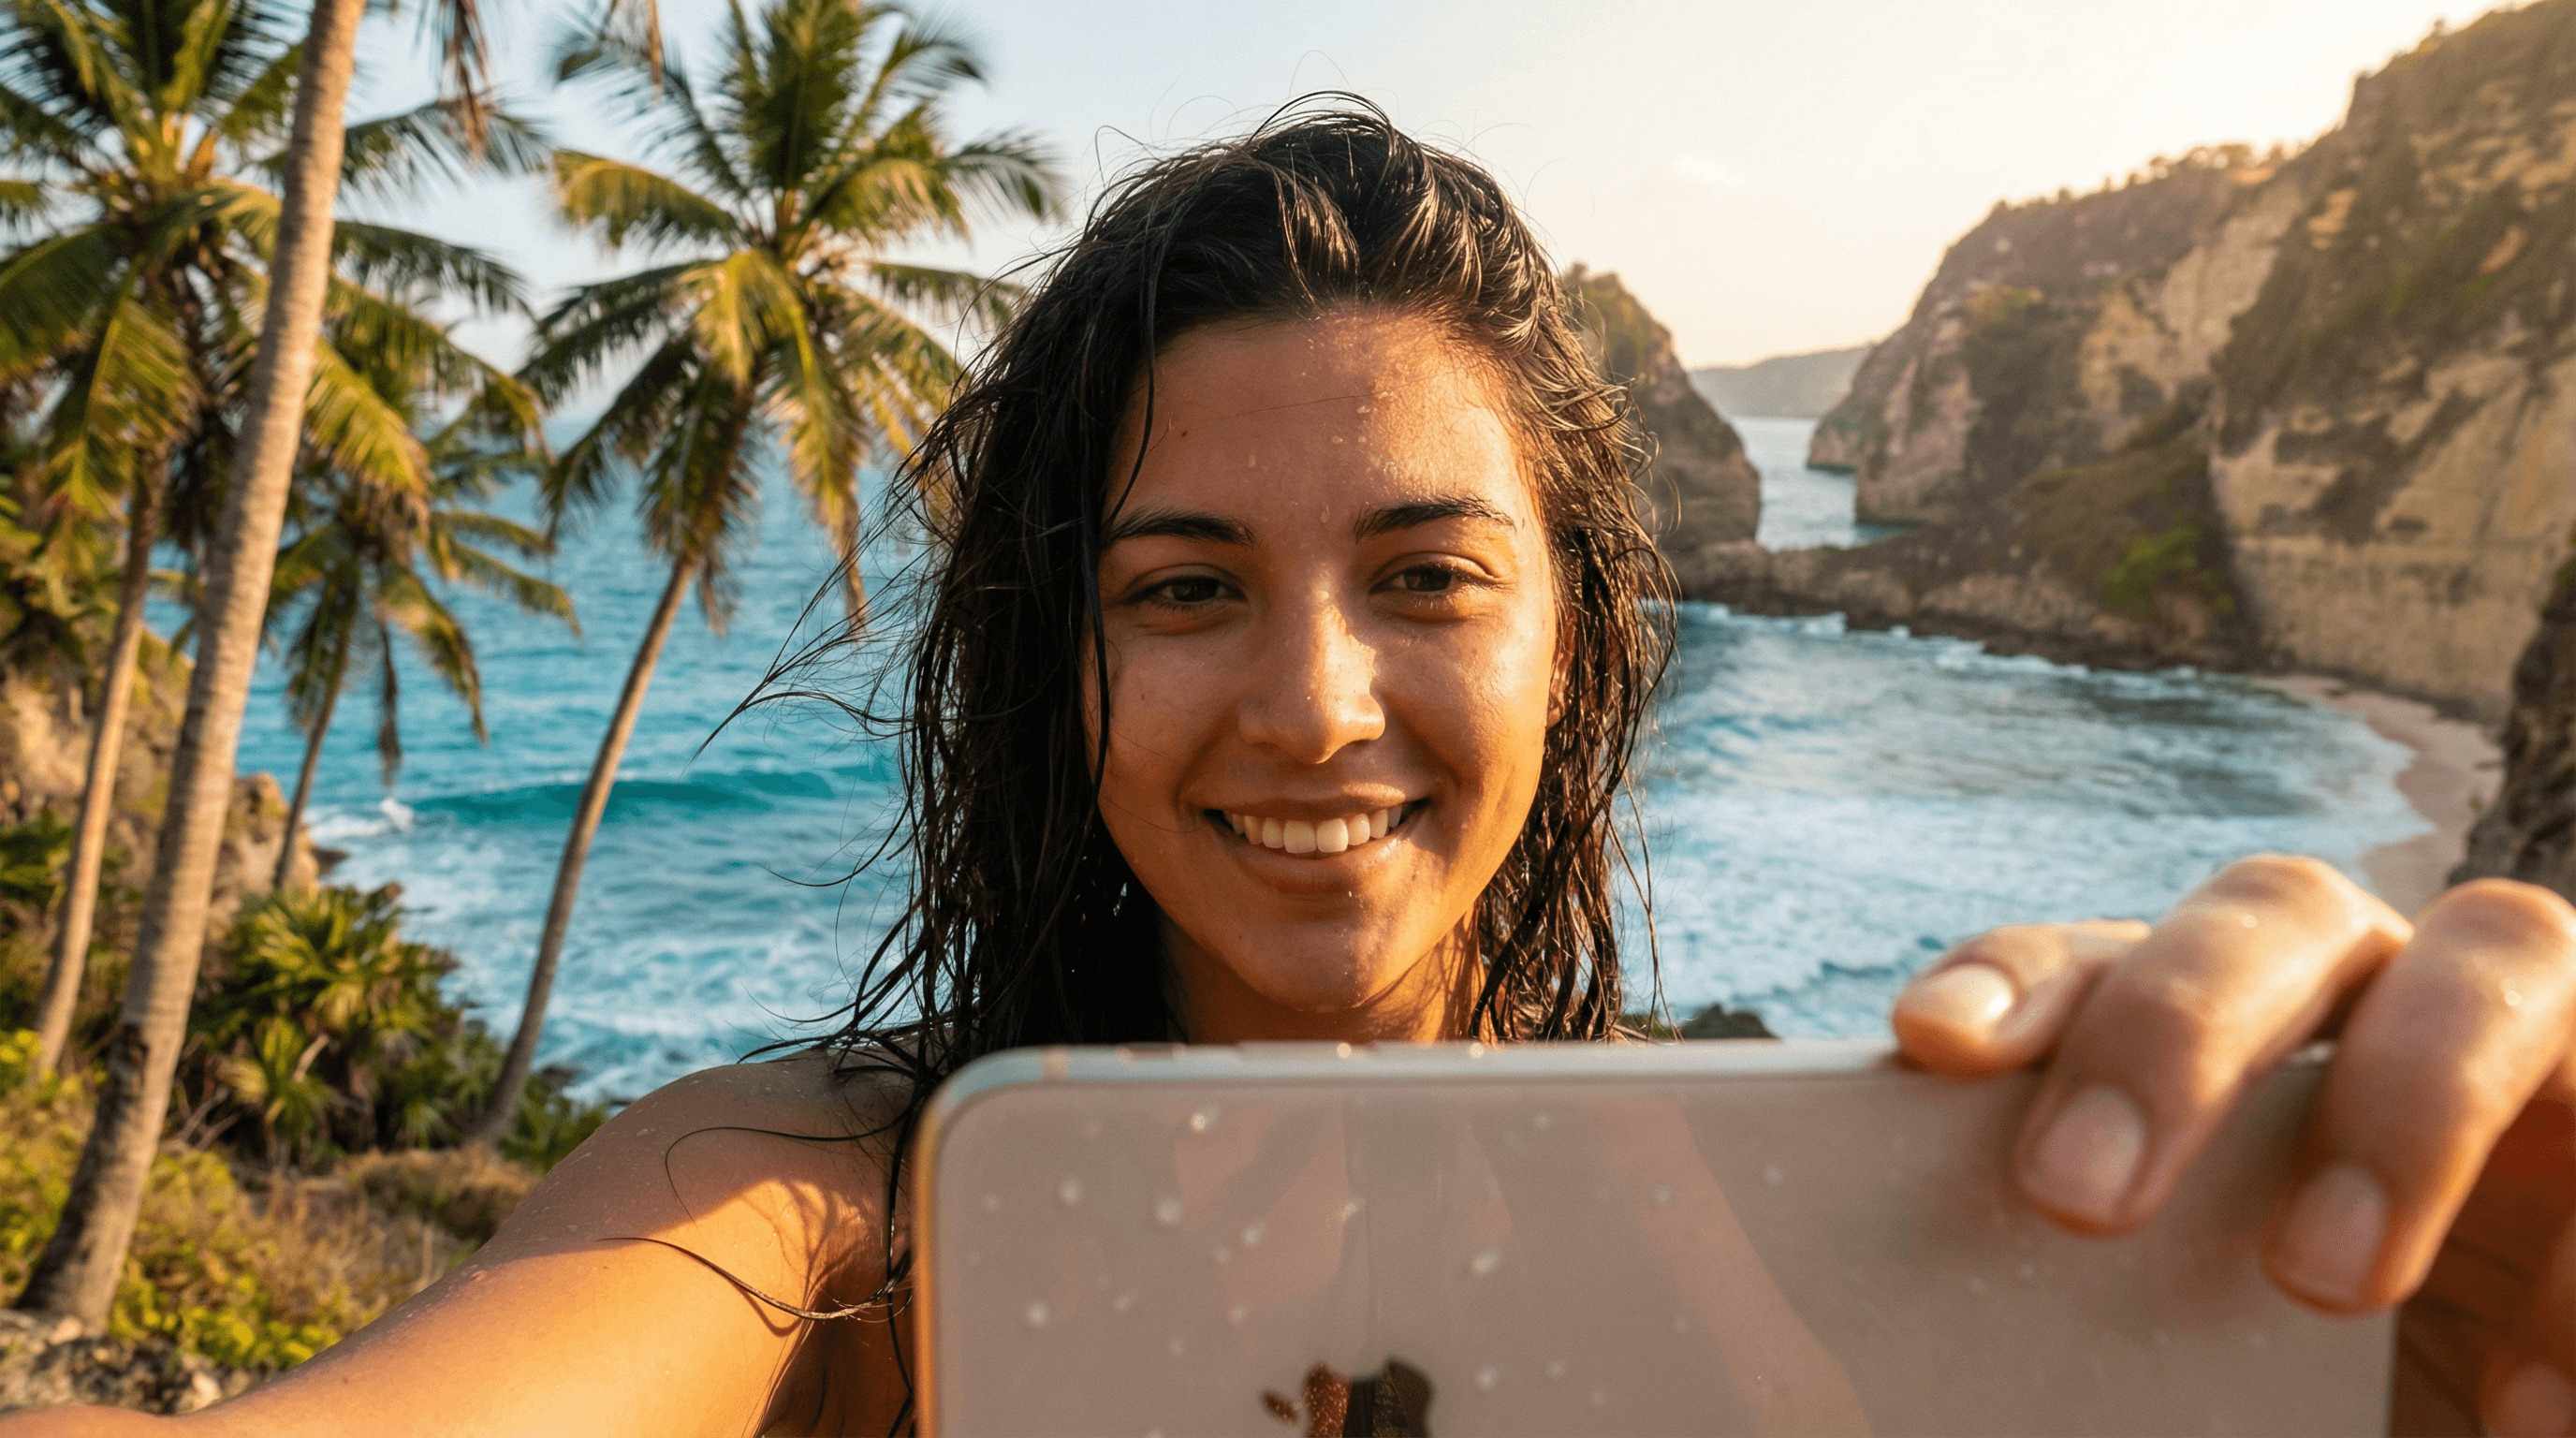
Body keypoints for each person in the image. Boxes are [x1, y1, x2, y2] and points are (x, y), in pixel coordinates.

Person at [7, 106, 2570, 1438]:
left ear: (1581, 643)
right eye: (1181, 588)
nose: (1316, 701)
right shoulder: (830, 1226)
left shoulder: (1825, 1227)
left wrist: (2398, 1347)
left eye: (1429, 574)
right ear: (1057, 663)